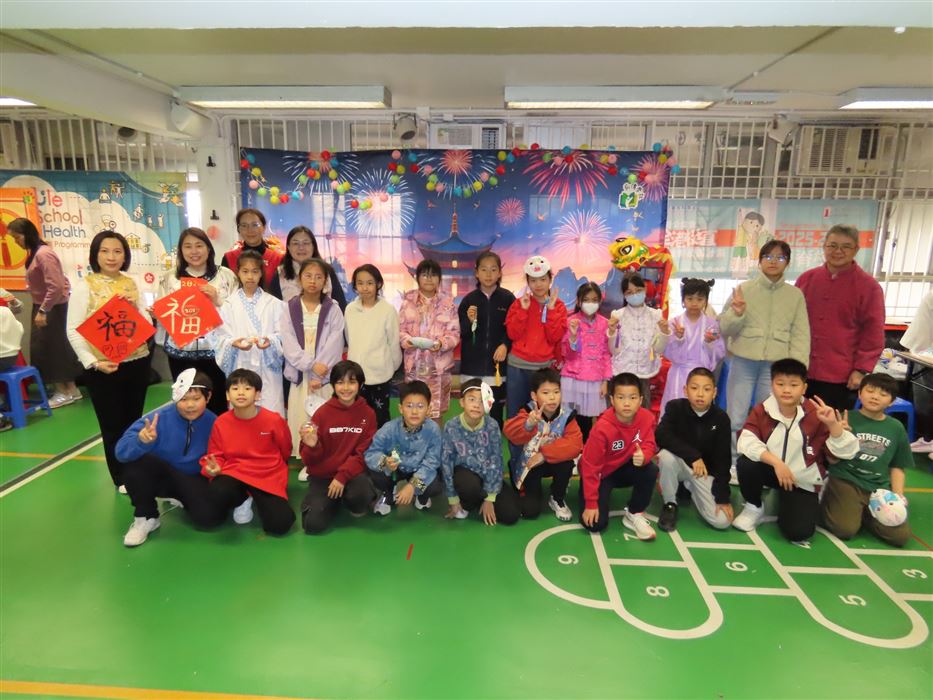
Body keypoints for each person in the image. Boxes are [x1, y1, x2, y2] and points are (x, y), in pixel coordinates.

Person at [733, 358, 859, 542]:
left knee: (799, 533)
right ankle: (754, 506)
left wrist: (834, 427)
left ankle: (791, 500)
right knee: (746, 463)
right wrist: (777, 463)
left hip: (801, 479)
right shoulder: (762, 410)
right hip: (772, 470)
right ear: (772, 385)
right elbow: (747, 440)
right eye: (780, 384)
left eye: (793, 385)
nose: (786, 390)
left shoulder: (818, 414)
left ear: (804, 388)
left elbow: (838, 456)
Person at [66, 231, 152, 492]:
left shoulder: (131, 283)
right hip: (103, 367)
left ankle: (135, 469)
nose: (111, 257)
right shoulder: (85, 286)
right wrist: (92, 362)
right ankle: (121, 477)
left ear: (125, 255)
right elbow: (73, 330)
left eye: (117, 251)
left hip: (137, 362)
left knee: (134, 421)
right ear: (95, 255)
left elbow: (147, 324)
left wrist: (136, 307)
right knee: (112, 424)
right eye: (105, 251)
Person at [719, 239, 810, 456]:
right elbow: (724, 328)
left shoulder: (795, 295)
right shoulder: (743, 290)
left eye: (780, 257)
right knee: (736, 416)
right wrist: (737, 313)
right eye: (768, 257)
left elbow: (800, 334)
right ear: (759, 261)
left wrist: (798, 370)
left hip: (776, 367)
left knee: (771, 416)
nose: (773, 261)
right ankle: (733, 460)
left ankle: (762, 459)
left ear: (788, 263)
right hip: (743, 361)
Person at [115, 369, 217, 547]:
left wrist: (214, 470)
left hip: (192, 478)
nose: (190, 405)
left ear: (208, 398)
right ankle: (146, 517)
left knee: (208, 519)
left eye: (196, 399)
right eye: (183, 399)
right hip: (161, 476)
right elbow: (120, 452)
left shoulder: (215, 422)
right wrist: (141, 441)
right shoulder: (157, 419)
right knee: (136, 462)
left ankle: (180, 497)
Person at [796, 224, 885, 410]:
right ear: (824, 247)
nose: (838, 251)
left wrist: (861, 369)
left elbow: (873, 333)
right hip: (800, 369)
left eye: (846, 246)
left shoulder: (869, 287)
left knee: (830, 424)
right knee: (796, 422)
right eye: (832, 245)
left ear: (856, 249)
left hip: (840, 374)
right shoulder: (807, 279)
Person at [821, 373, 913, 547]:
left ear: (892, 402)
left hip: (878, 487)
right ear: (859, 393)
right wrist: (839, 435)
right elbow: (831, 461)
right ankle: (831, 503)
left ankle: (862, 512)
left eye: (883, 394)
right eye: (870, 391)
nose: (875, 397)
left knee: (899, 537)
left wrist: (898, 495)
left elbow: (898, 465)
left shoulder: (896, 427)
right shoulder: (845, 418)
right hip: (846, 479)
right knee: (844, 530)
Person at [200, 369, 295, 535]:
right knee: (216, 494)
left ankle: (256, 497)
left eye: (247, 388)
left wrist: (278, 471)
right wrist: (214, 469)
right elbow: (216, 455)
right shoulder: (221, 422)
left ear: (257, 395)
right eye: (235, 388)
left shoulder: (273, 420)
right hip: (235, 472)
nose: (241, 393)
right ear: (228, 395)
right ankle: (243, 498)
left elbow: (285, 449)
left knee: (280, 524)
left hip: (267, 475)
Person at [155, 226, 238, 416]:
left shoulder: (225, 276)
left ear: (208, 248)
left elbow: (237, 313)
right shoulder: (170, 278)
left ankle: (217, 435)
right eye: (188, 246)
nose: (194, 251)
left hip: (216, 352)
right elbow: (163, 314)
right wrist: (157, 314)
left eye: (199, 245)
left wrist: (217, 299)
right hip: (181, 352)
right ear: (181, 251)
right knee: (186, 403)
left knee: (217, 402)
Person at [297, 361, 378, 534]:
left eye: (352, 382)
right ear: (333, 385)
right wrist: (313, 446)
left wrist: (342, 477)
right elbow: (309, 461)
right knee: (312, 525)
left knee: (361, 494)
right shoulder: (321, 414)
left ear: (360, 385)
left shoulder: (368, 414)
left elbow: (363, 453)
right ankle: (332, 500)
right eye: (340, 382)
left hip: (352, 474)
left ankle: (348, 499)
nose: (346, 388)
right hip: (323, 477)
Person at [8, 217, 81, 407]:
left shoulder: (43, 254)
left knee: (49, 349)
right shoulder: (36, 252)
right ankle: (71, 389)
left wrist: (43, 310)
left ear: (27, 234)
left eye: (17, 238)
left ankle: (63, 391)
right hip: (47, 305)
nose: (16, 242)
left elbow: (56, 285)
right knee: (57, 348)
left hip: (51, 307)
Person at [505, 255, 568, 476]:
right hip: (517, 368)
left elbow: (555, 337)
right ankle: (516, 469)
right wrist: (523, 310)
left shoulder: (558, 306)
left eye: (543, 279)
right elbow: (512, 334)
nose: (538, 284)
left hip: (543, 371)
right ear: (528, 282)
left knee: (542, 420)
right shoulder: (519, 303)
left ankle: (536, 469)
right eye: (533, 280)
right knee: (517, 419)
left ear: (550, 280)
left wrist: (551, 311)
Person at [281, 258, 346, 463]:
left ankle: (326, 455)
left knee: (324, 413)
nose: (313, 281)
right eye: (308, 276)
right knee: (301, 412)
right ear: (299, 279)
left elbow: (336, 341)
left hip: (324, 374)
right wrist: (309, 365)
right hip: (300, 371)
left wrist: (320, 373)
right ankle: (305, 456)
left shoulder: (333, 308)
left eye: (318, 277)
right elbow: (288, 341)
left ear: (325, 281)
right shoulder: (290, 308)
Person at [579, 373, 659, 539]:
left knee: (650, 470)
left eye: (632, 397)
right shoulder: (602, 428)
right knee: (595, 524)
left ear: (640, 400)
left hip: (624, 467)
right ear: (612, 400)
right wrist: (591, 503)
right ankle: (587, 494)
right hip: (601, 474)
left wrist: (644, 455)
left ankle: (634, 513)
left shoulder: (646, 418)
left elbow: (650, 443)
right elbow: (590, 466)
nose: (627, 403)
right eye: (621, 397)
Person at [655, 367, 733, 532]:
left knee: (722, 521)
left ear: (714, 392)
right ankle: (670, 503)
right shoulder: (675, 407)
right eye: (694, 388)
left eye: (706, 389)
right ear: (685, 390)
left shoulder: (721, 418)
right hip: (680, 464)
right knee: (665, 456)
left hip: (703, 473)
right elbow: (661, 435)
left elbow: (723, 460)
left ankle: (689, 487)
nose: (700, 394)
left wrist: (722, 497)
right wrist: (693, 456)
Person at [211, 250, 285, 417]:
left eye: (255, 271)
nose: (250, 276)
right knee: (242, 413)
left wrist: (271, 340)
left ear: (261, 273)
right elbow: (219, 338)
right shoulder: (228, 305)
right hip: (241, 364)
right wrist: (233, 343)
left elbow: (284, 334)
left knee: (270, 413)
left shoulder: (275, 304)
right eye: (245, 271)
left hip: (267, 369)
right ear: (238, 273)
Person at [503, 368, 583, 521]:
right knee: (530, 510)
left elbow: (575, 444)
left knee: (566, 464)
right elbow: (509, 433)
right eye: (545, 393)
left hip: (551, 460)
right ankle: (520, 478)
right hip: (530, 464)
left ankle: (557, 497)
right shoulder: (528, 412)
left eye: (556, 392)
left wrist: (544, 454)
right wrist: (528, 424)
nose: (552, 398)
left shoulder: (567, 415)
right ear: (534, 396)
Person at [442, 378, 520, 526]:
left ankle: (479, 500)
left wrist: (490, 499)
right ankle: (466, 502)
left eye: (482, 401)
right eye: (472, 399)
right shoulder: (451, 426)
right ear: (462, 402)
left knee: (511, 515)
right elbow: (446, 463)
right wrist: (453, 499)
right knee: (468, 485)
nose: (477, 405)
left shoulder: (492, 425)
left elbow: (496, 461)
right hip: (465, 476)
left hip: (487, 476)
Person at [364, 380, 443, 515]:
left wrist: (412, 485)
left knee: (434, 485)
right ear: (401, 408)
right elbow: (371, 453)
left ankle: (421, 495)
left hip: (419, 470)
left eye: (420, 406)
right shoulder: (389, 429)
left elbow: (432, 462)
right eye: (409, 406)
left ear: (429, 409)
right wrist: (385, 462)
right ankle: (388, 493)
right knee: (376, 473)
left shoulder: (433, 430)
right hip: (395, 471)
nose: (414, 411)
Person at [458, 252, 514, 429]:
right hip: (472, 367)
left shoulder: (508, 299)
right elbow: (461, 333)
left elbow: (514, 329)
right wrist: (469, 321)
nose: (488, 274)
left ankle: (494, 442)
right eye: (484, 269)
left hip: (497, 368)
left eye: (493, 269)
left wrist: (505, 345)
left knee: (495, 411)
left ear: (500, 273)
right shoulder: (468, 300)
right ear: (476, 273)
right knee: (472, 411)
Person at [398, 259, 460, 422]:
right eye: (424, 275)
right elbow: (400, 330)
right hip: (414, 366)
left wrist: (441, 344)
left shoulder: (448, 303)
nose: (429, 279)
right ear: (417, 278)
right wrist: (408, 341)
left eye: (433, 275)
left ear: (439, 279)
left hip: (439, 367)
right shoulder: (407, 302)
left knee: (436, 412)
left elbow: (454, 333)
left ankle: (435, 439)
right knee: (413, 411)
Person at [656, 278, 725, 416]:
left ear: (706, 301)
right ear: (683, 300)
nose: (694, 303)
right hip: (678, 374)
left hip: (702, 375)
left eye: (700, 299)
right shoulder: (674, 323)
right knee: (676, 412)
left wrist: (709, 343)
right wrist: (678, 338)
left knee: (700, 412)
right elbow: (666, 352)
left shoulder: (712, 325)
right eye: (690, 298)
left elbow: (719, 353)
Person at [345, 264, 402, 427]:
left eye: (370, 283)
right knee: (358, 419)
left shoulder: (387, 310)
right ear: (355, 286)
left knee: (380, 418)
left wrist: (391, 367)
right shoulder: (350, 309)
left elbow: (394, 342)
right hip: (356, 376)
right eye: (360, 283)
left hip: (380, 375)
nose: (365, 288)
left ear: (378, 284)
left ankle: (381, 445)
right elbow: (349, 338)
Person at [561, 282, 612, 443]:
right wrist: (573, 337)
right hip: (573, 379)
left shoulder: (605, 323)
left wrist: (606, 380)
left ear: (600, 301)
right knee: (569, 419)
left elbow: (606, 354)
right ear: (578, 301)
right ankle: (570, 450)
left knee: (587, 422)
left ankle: (584, 451)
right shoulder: (571, 321)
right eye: (586, 300)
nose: (590, 303)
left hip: (594, 380)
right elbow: (567, 355)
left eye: (594, 300)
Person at [608, 272, 663, 407]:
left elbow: (658, 349)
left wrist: (665, 333)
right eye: (629, 292)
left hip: (644, 374)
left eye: (638, 290)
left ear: (645, 289)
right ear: (624, 295)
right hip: (621, 374)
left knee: (643, 413)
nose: (635, 295)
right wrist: (612, 332)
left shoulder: (656, 315)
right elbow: (614, 350)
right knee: (619, 413)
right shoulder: (617, 315)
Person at [268, 225, 347, 310]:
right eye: (295, 243)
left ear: (313, 246)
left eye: (306, 243)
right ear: (288, 247)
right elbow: (273, 309)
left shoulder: (327, 271)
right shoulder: (280, 273)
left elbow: (341, 306)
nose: (301, 248)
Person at [222, 208, 284, 288]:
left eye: (255, 225)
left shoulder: (278, 259)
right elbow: (224, 289)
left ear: (264, 228)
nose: (250, 230)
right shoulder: (229, 258)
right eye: (244, 225)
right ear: (238, 229)